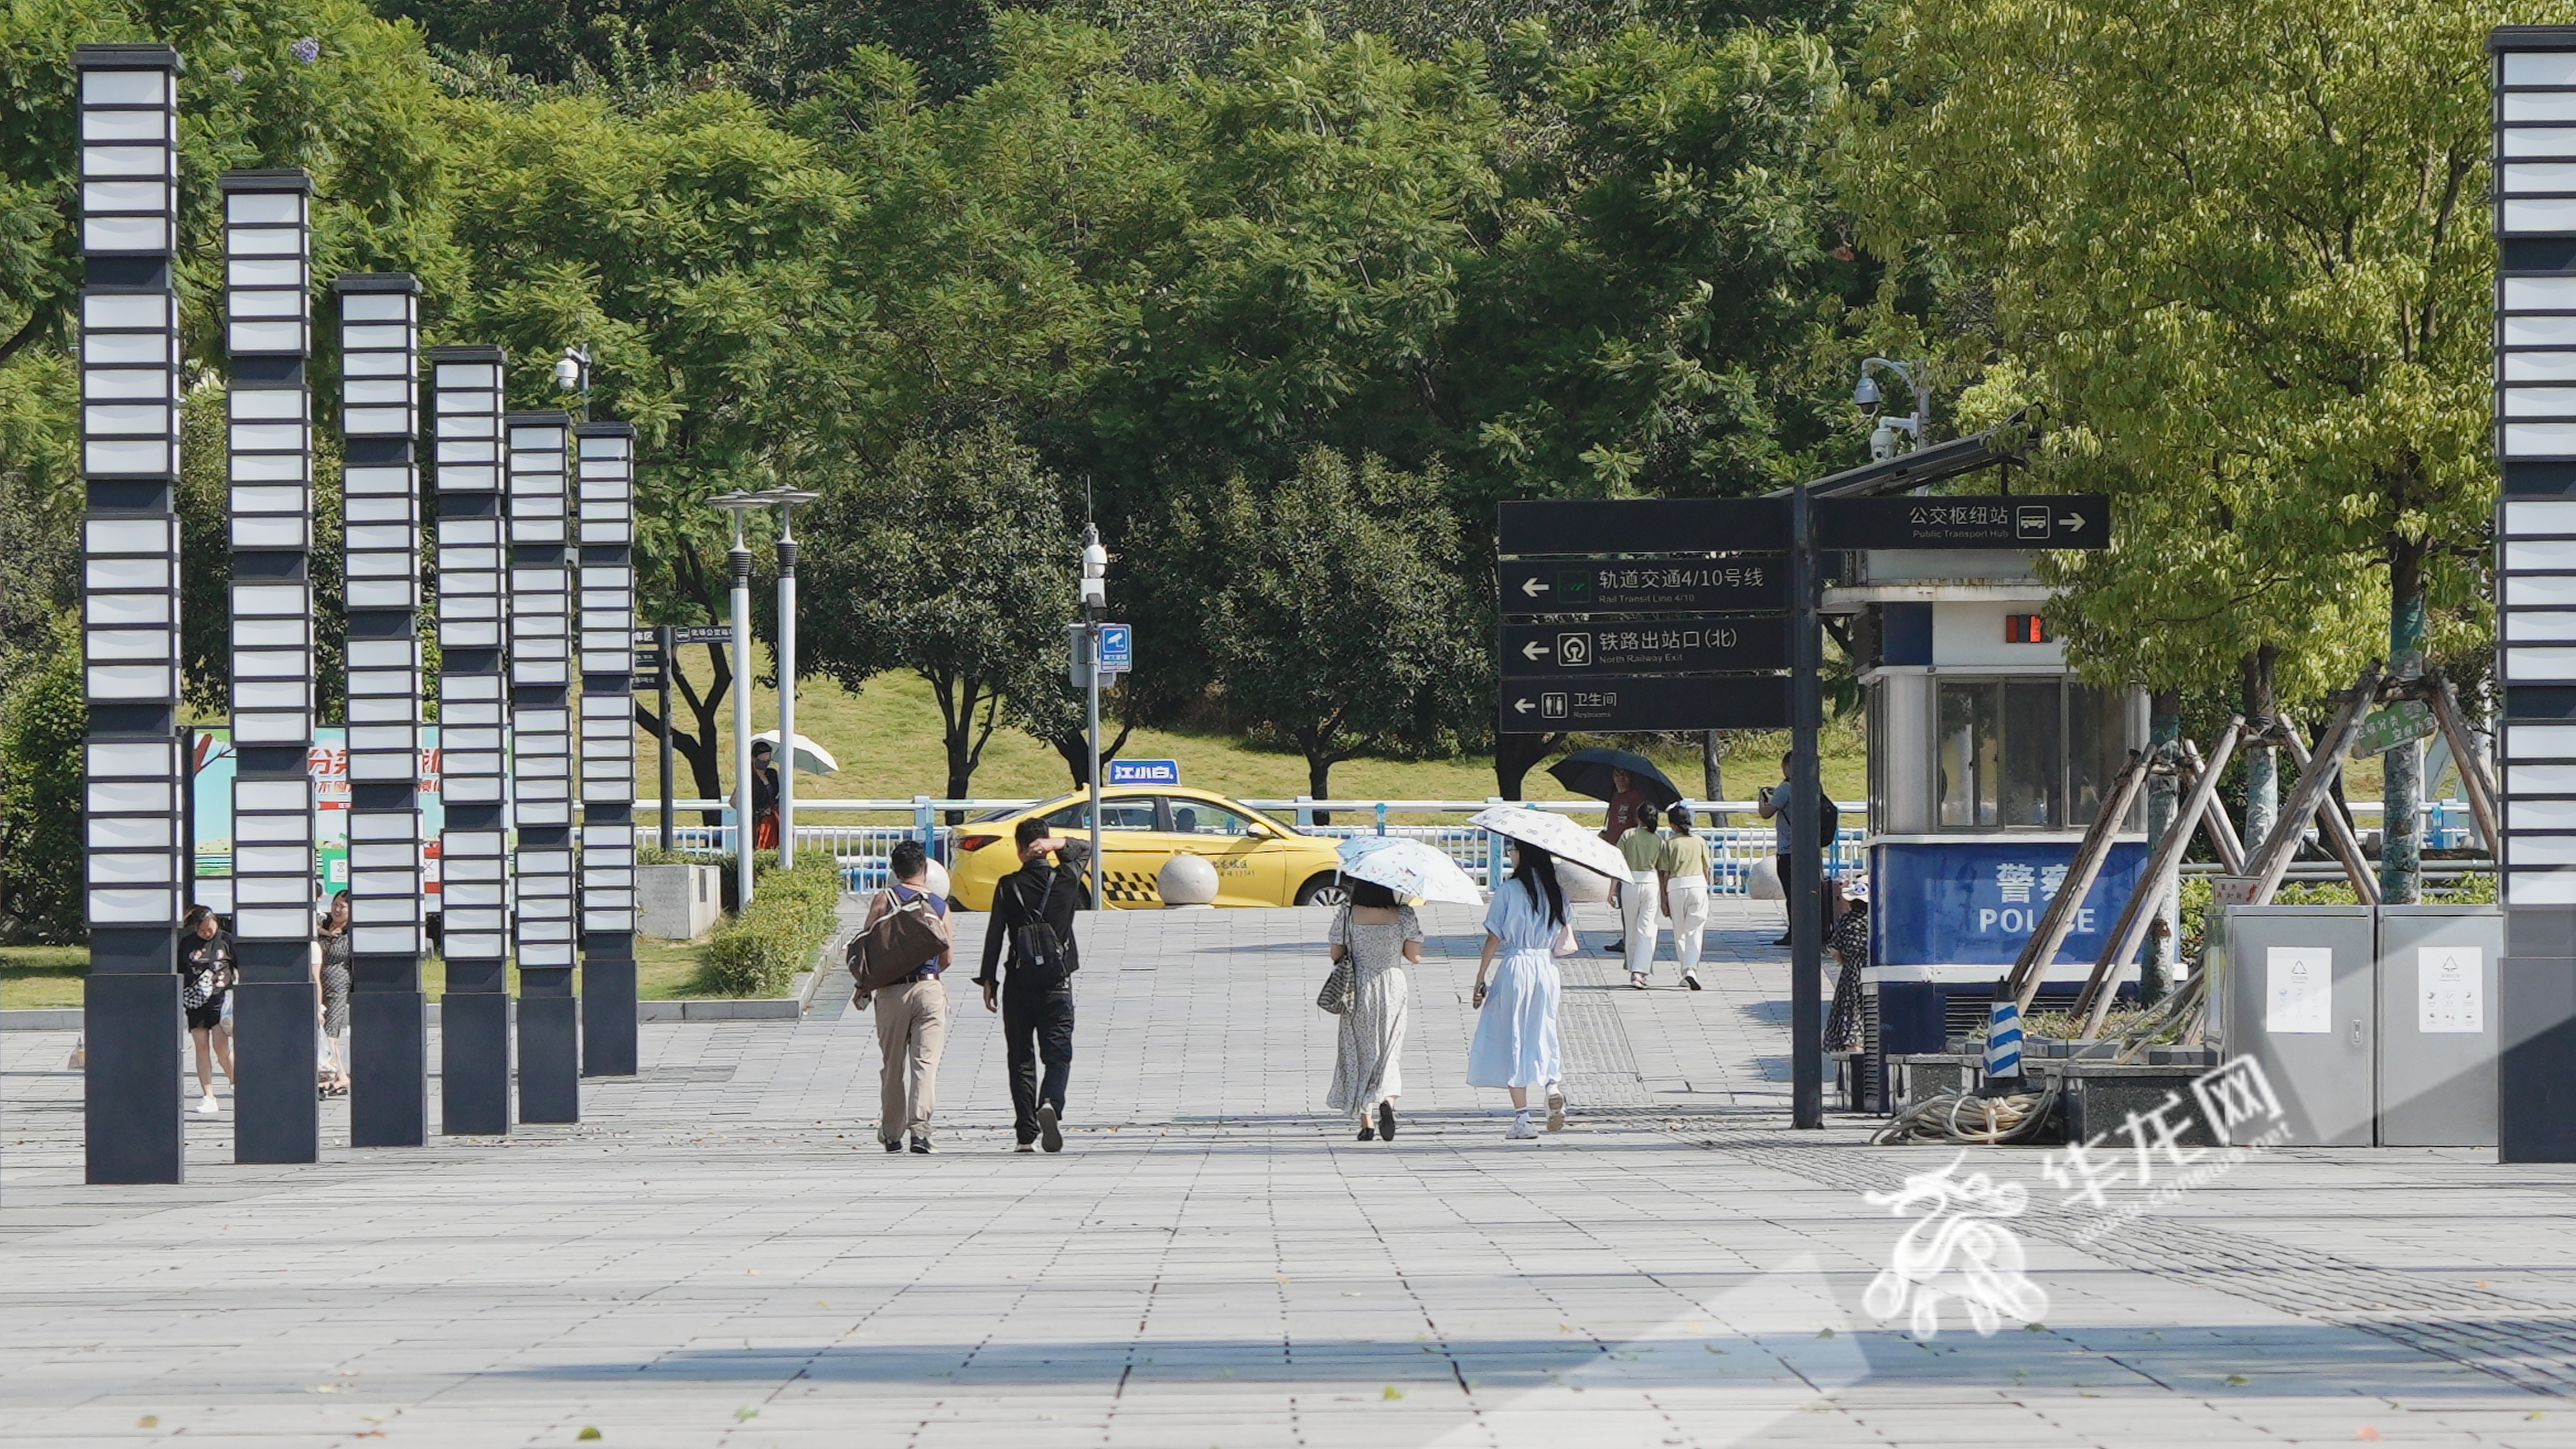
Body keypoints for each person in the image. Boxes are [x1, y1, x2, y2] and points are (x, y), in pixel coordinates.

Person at [977, 817, 1091, 1153]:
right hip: (1057, 981)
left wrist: (989, 979)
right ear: (1044, 844)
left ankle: (1026, 1134)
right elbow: (1085, 849)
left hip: (1018, 982)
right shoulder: (1067, 877)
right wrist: (1057, 845)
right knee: (1058, 1054)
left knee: (1021, 1057)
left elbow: (995, 933)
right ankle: (1051, 1104)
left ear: (1018, 848)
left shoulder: (1008, 884)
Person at [1470, 840, 1568, 1140]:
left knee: (1513, 1035)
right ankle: (1552, 1084)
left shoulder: (1509, 890)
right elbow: (1565, 936)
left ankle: (1523, 1118)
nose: (1511, 855)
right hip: (1547, 968)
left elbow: (1494, 937)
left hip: (1517, 964)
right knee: (1544, 1029)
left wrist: (1480, 977)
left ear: (1522, 855)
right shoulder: (1557, 891)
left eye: (1514, 850)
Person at [860, 840, 953, 1154]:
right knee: (925, 1064)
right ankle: (921, 1132)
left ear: (894, 871)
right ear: (926, 871)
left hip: (891, 993)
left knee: (893, 1064)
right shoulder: (940, 906)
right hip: (929, 989)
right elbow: (948, 957)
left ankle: (891, 1133)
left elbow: (867, 949)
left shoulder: (883, 900)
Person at [1326, 877, 1420, 1142]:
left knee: (1360, 1049)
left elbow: (1336, 954)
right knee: (1390, 1049)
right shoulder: (1404, 915)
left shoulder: (1347, 914)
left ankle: (1366, 1122)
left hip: (1358, 987)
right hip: (1393, 986)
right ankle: (1388, 1100)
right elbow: (1414, 956)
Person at [1757, 752, 1839, 948]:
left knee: (1792, 893)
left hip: (1788, 850)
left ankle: (1794, 933)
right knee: (1812, 891)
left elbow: (1766, 813)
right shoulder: (1814, 786)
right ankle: (1818, 930)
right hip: (1810, 849)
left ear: (1787, 766)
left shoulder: (1786, 788)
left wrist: (1762, 797)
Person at [179, 905, 236, 1115]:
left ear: (216, 922)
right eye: (201, 929)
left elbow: (239, 967)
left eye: (209, 927)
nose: (206, 933)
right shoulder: (187, 943)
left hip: (221, 1000)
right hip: (196, 1001)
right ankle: (208, 1095)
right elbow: (180, 969)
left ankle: (234, 1080)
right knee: (200, 1046)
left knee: (221, 1048)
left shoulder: (226, 941)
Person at [1659, 804, 1712, 991]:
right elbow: (1706, 868)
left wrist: (1663, 900)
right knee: (1695, 931)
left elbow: (1665, 873)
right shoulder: (1699, 841)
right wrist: (1705, 889)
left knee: (1680, 931)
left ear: (1673, 825)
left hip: (1676, 886)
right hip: (1698, 884)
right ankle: (1691, 969)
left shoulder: (1670, 844)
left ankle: (1686, 970)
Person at [1599, 767, 1649, 955]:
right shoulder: (1615, 797)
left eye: (1624, 774)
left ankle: (1633, 936)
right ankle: (1628, 935)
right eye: (1617, 774)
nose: (1620, 778)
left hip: (1629, 854)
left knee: (1628, 897)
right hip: (1614, 852)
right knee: (1622, 897)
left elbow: (1640, 825)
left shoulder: (1635, 798)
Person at [1617, 801, 1665, 988]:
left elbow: (1618, 862)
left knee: (1631, 928)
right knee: (1648, 929)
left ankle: (1632, 968)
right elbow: (1662, 870)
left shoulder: (1628, 835)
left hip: (1629, 881)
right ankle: (1641, 970)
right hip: (1651, 882)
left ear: (1638, 817)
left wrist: (1613, 890)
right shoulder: (1658, 840)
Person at [316, 892, 353, 1098]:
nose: (337, 910)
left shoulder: (351, 933)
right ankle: (339, 1076)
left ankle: (332, 1076)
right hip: (319, 983)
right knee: (325, 1033)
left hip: (338, 985)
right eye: (335, 905)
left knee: (330, 1033)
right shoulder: (324, 925)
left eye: (343, 907)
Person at [750, 740, 781, 851]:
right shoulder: (749, 776)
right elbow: (734, 800)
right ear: (754, 758)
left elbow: (776, 793)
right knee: (758, 846)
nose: (765, 762)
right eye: (762, 759)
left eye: (768, 760)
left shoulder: (771, 773)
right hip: (758, 819)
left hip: (772, 817)